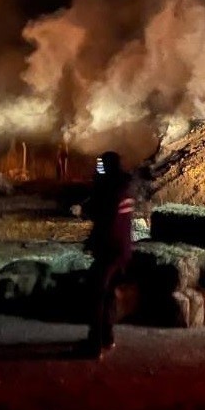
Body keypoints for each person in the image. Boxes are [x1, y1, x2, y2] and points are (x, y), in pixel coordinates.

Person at [79, 150, 135, 360]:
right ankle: (107, 337)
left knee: (96, 294)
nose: (98, 168)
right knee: (108, 293)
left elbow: (104, 219)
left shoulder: (110, 190)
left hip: (109, 250)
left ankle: (94, 345)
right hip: (122, 249)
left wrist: (84, 211)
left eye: (102, 165)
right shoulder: (125, 188)